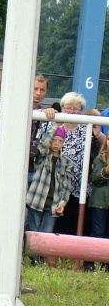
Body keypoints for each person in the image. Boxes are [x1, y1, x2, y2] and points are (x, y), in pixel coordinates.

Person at [53, 93, 104, 236]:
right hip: (58, 183)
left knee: (79, 218)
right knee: (58, 219)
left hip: (82, 184)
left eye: (76, 108)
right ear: (62, 108)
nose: (71, 111)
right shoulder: (55, 126)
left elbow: (103, 146)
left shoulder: (86, 128)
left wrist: (97, 134)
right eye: (68, 108)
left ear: (81, 110)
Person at [26, 126, 74, 266]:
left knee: (46, 233)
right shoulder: (42, 157)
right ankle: (34, 260)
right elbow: (42, 145)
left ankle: (40, 260)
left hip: (53, 203)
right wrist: (53, 128)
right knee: (34, 231)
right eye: (54, 140)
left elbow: (66, 186)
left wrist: (63, 203)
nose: (56, 144)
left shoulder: (67, 162)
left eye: (60, 141)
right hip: (36, 200)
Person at [88, 140, 109, 269]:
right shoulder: (100, 158)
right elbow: (94, 179)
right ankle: (90, 263)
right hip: (100, 202)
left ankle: (105, 265)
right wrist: (106, 171)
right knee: (98, 232)